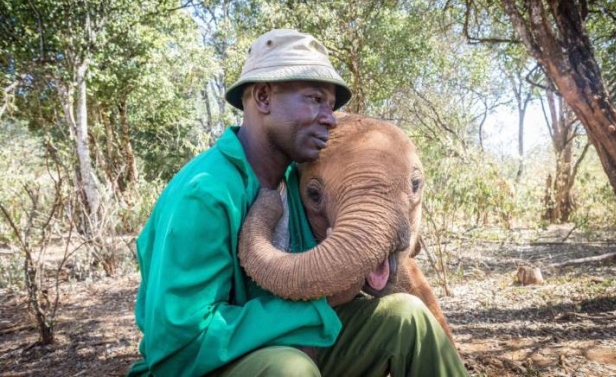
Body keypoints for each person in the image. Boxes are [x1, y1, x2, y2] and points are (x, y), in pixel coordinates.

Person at [129, 29, 467, 376]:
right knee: (288, 368)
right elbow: (179, 346)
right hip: (205, 367)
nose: (330, 117)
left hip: (294, 346)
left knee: (406, 318)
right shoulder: (205, 192)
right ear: (263, 97)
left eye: (332, 106)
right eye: (315, 99)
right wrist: (311, 311)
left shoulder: (296, 180)